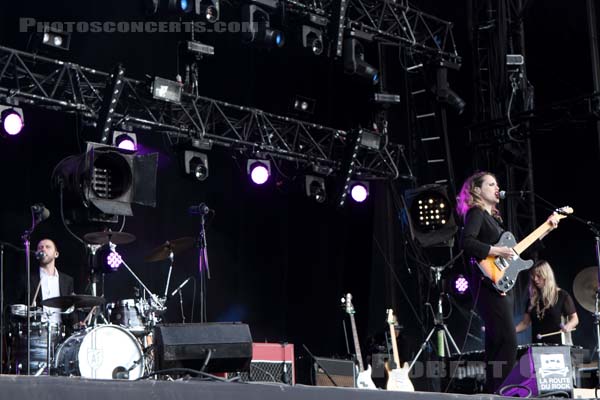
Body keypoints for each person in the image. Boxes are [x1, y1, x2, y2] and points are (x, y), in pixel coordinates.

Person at [456, 171, 560, 393]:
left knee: (496, 345)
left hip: (501, 285)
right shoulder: (476, 213)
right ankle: (501, 393)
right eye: (491, 184)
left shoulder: (493, 219)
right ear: (476, 190)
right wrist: (495, 250)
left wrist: (547, 229)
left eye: (497, 184)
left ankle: (492, 391)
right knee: (508, 342)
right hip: (488, 284)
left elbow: (517, 256)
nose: (496, 187)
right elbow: (467, 242)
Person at [515, 260, 578, 345]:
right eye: (533, 276)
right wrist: (510, 332)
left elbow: (575, 319)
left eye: (538, 275)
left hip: (559, 346)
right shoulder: (532, 300)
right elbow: (525, 323)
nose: (535, 279)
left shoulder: (562, 295)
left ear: (547, 276)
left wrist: (568, 326)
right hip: (538, 346)